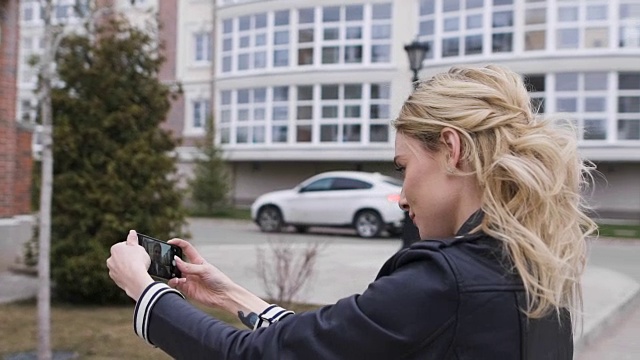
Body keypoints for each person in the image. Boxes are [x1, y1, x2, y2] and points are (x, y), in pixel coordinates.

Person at [107, 65, 596, 359]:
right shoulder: (534, 276)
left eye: (404, 166)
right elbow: (340, 346)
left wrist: (144, 289)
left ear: (453, 150)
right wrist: (229, 293)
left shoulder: (445, 282)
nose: (401, 196)